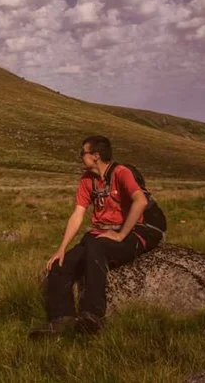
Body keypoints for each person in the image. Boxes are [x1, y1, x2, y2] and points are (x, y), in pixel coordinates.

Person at [29, 135, 164, 338]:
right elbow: (77, 214)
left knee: (97, 248)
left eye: (82, 152)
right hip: (104, 231)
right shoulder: (86, 180)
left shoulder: (121, 173)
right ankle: (61, 321)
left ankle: (92, 317)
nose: (80, 156)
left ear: (95, 156)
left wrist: (120, 236)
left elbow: (141, 202)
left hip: (137, 230)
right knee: (59, 266)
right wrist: (61, 249)